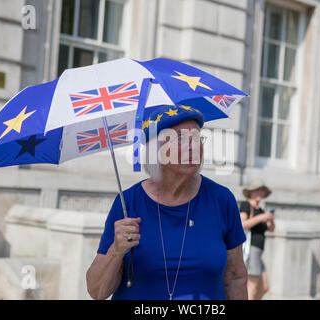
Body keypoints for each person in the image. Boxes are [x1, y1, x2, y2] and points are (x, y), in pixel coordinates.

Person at [86, 105, 248, 300]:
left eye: (197, 138)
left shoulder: (222, 200)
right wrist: (116, 251)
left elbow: (236, 277)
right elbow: (97, 291)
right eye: (180, 139)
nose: (193, 146)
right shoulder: (128, 202)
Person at [239, 179, 274, 300]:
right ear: (251, 192)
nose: (261, 192)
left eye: (262, 189)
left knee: (264, 287)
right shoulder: (246, 205)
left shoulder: (261, 210)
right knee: (251, 288)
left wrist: (269, 219)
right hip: (250, 250)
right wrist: (260, 218)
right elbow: (242, 224)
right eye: (258, 189)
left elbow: (271, 229)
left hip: (258, 252)